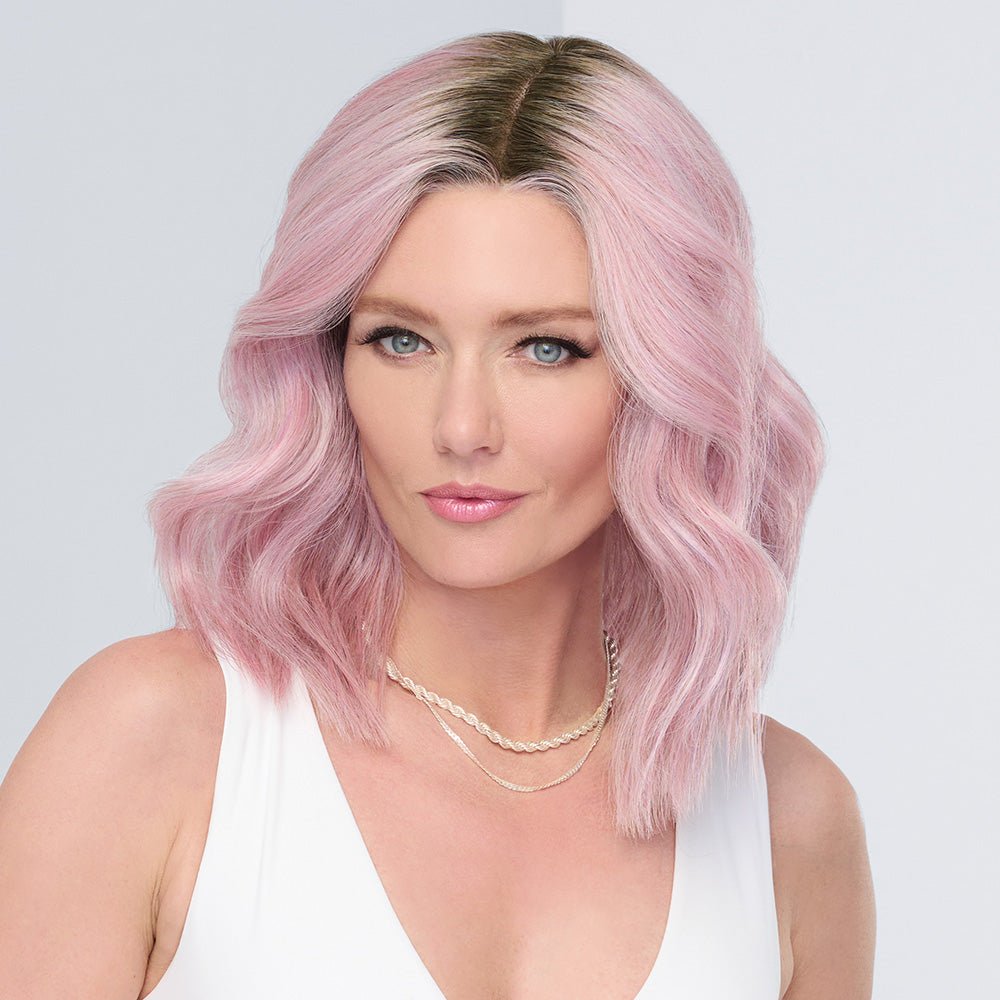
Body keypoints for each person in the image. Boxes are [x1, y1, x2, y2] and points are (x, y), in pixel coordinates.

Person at [0, 30, 875, 999]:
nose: (460, 427)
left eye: (546, 348)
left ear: (666, 383)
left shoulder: (789, 824)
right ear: (328, 363)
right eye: (401, 339)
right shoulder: (153, 742)